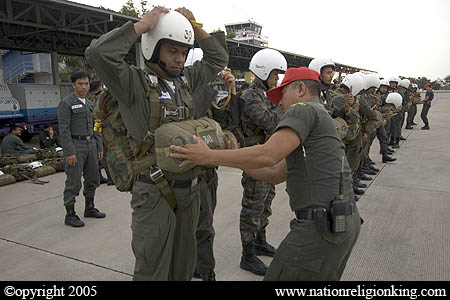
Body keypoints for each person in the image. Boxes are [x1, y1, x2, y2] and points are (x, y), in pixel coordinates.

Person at [171, 67, 361, 280]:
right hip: (342, 225)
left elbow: (269, 154)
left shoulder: (303, 109)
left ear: (300, 89)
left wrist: (207, 156)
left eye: (282, 95)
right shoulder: (320, 115)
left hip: (319, 230)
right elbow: (274, 172)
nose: (278, 103)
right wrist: (231, 155)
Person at [85, 7, 228, 281]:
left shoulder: (185, 80)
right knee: (153, 271)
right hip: (154, 189)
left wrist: (192, 25)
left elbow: (217, 57)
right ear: (153, 47)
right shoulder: (132, 83)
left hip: (191, 189)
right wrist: (143, 25)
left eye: (184, 52)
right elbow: (98, 54)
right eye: (172, 51)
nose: (179, 59)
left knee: (183, 267)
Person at [238, 48, 287, 276]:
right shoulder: (250, 95)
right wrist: (284, 110)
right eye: (275, 75)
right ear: (264, 71)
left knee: (266, 200)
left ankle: (260, 240)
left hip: (269, 156)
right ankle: (247, 255)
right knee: (253, 205)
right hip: (255, 157)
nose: (277, 79)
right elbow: (268, 121)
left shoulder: (266, 95)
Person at [57, 71, 106, 228]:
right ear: (73, 84)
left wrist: (98, 146)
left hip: (91, 144)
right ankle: (70, 214)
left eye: (86, 84)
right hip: (76, 145)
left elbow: (96, 126)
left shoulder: (90, 104)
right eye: (80, 83)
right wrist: (69, 152)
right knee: (74, 181)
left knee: (93, 178)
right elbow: (63, 130)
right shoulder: (66, 104)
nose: (84, 87)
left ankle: (89, 207)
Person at [89, 80, 113, 185]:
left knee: (96, 152)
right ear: (100, 87)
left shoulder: (89, 98)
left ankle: (98, 176)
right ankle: (111, 177)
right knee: (105, 153)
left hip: (94, 128)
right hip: (103, 127)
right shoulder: (104, 97)